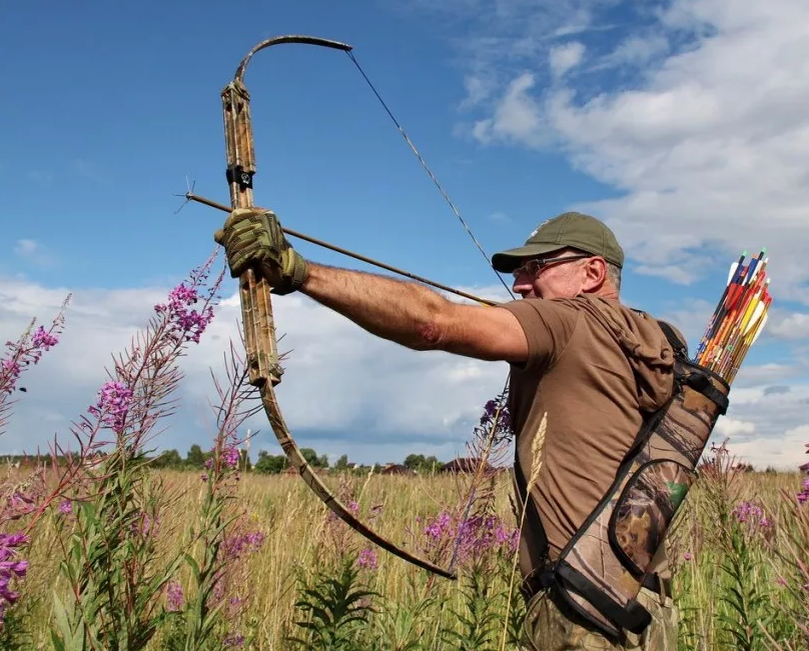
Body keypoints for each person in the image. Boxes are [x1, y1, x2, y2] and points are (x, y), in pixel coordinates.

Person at [214, 208, 679, 650]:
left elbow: (432, 323)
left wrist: (297, 270)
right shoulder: (655, 340)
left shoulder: (569, 321)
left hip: (581, 612)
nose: (520, 285)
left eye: (536, 267)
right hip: (648, 605)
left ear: (593, 273)